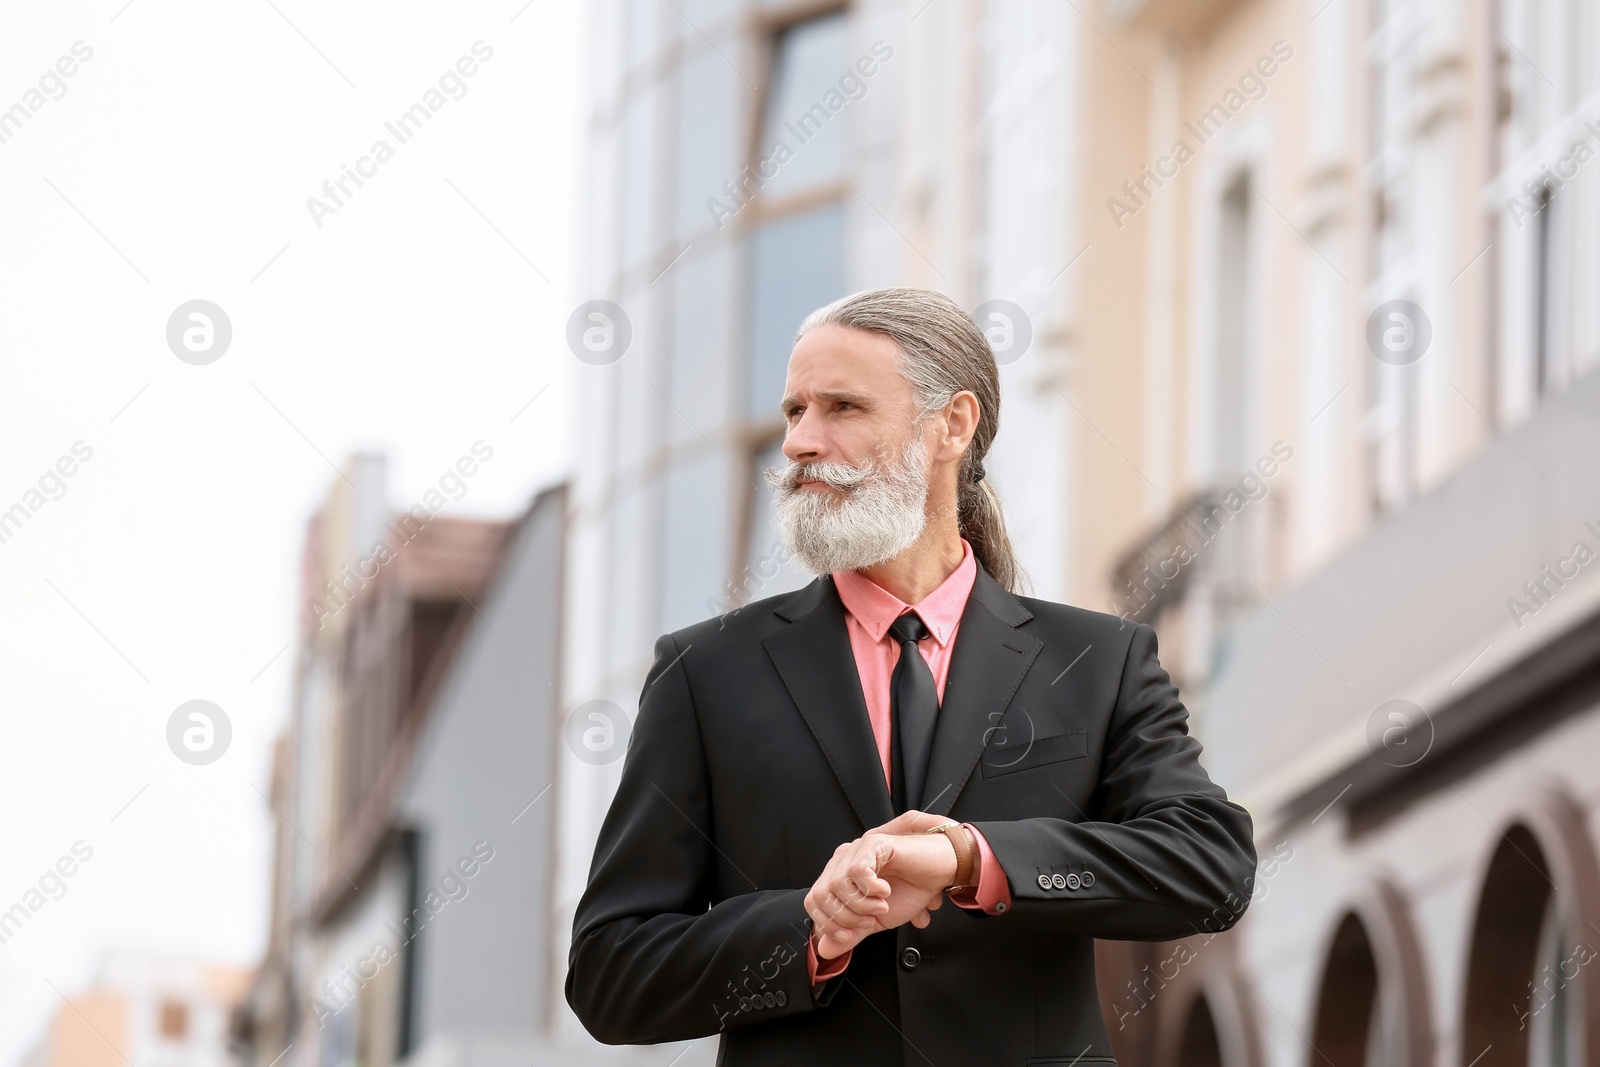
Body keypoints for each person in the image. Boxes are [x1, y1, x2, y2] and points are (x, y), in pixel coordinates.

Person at [565, 287, 1257, 1065]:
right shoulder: (706, 673)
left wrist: (973, 858)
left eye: (842, 407)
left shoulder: (1101, 660)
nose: (799, 441)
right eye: (795, 410)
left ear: (951, 426)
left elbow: (1212, 867)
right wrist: (812, 927)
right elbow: (609, 971)